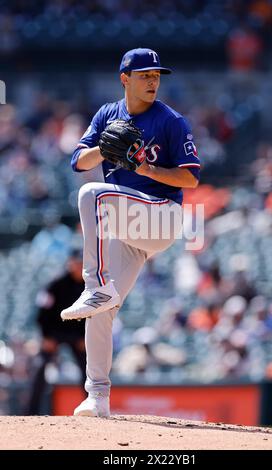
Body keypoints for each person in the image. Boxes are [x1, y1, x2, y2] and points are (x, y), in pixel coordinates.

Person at [61, 48, 201, 417]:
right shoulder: (107, 114)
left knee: (92, 194)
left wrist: (146, 170)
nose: (153, 81)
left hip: (161, 217)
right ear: (125, 79)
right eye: (145, 75)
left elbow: (190, 176)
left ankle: (95, 286)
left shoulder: (171, 121)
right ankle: (98, 397)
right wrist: (104, 150)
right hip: (128, 227)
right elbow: (78, 160)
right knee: (100, 313)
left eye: (156, 75)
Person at [27, 249, 86, 415]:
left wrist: (84, 337)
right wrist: (46, 336)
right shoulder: (55, 284)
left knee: (89, 369)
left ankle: (93, 407)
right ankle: (32, 412)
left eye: (82, 263)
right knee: (40, 367)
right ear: (70, 263)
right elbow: (41, 313)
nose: (79, 266)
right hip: (54, 333)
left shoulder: (89, 286)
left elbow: (93, 315)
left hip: (77, 334)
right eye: (77, 262)